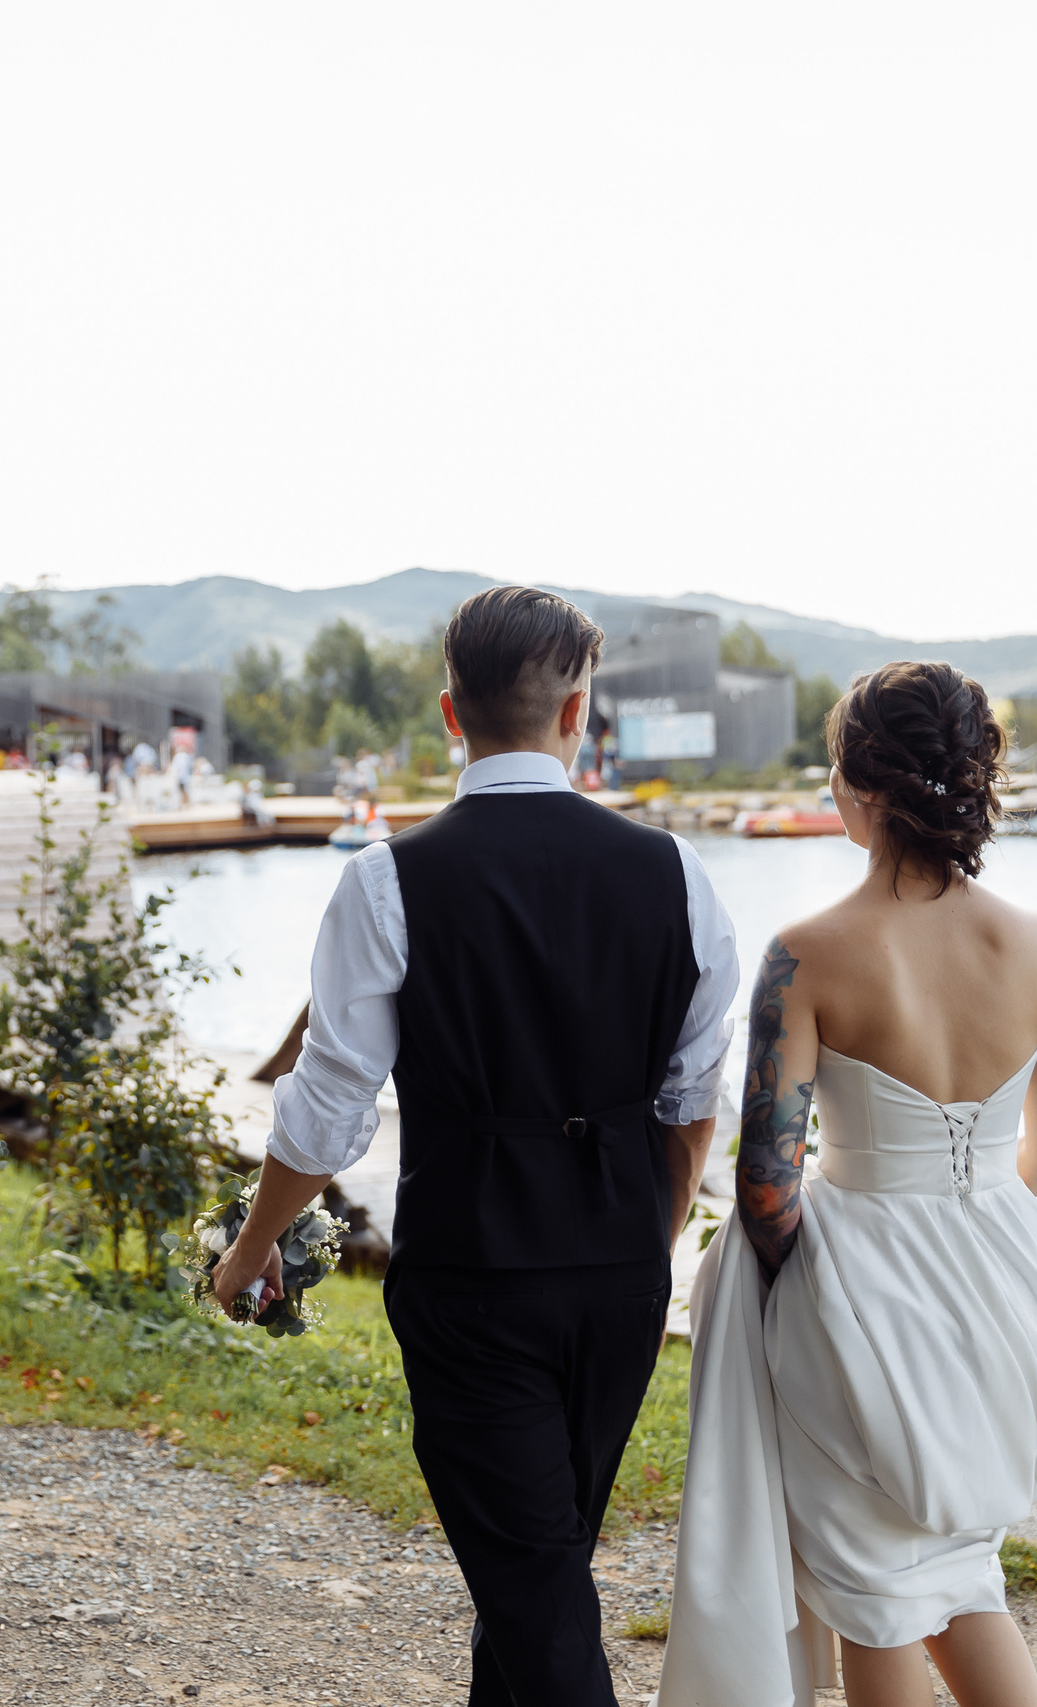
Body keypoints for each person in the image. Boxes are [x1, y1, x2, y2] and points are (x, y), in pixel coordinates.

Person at [213, 587, 740, 1706]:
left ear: (452, 716)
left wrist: (256, 1243)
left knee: (536, 1591)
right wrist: (642, 1235)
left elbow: (331, 1103)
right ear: (578, 713)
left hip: (473, 1276)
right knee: (535, 1578)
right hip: (618, 1280)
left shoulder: (387, 878)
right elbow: (693, 1096)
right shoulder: (677, 875)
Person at [660, 662, 1037, 1707]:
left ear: (860, 787)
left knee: (871, 1589)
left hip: (856, 1296)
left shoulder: (806, 956)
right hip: (995, 1285)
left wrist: (830, 1272)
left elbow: (766, 1188)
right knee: (956, 1570)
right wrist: (968, 1220)